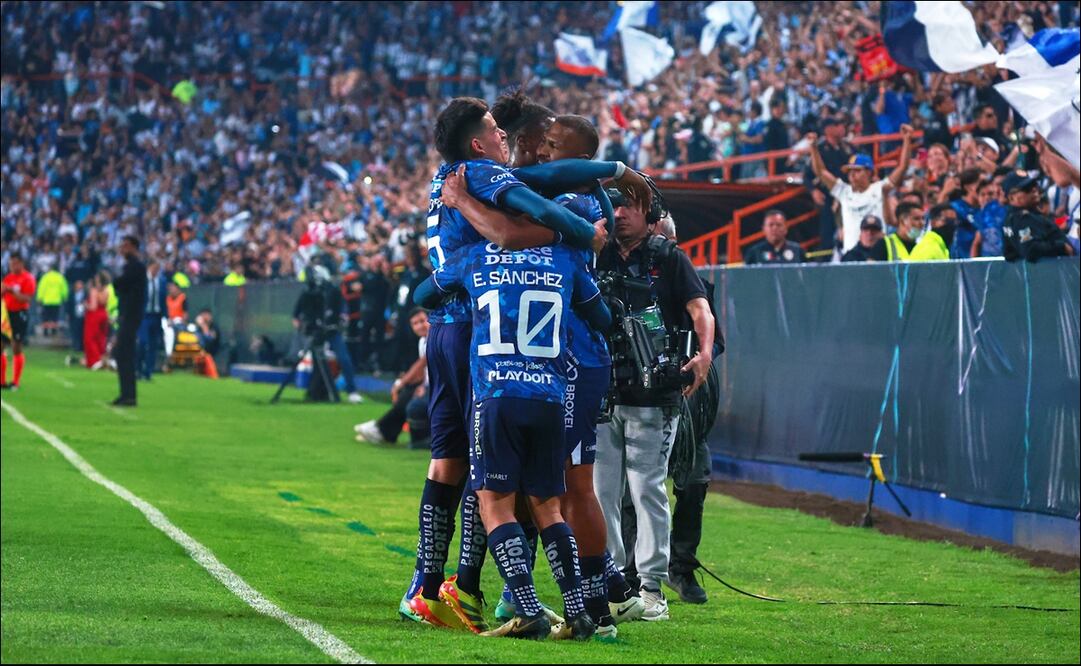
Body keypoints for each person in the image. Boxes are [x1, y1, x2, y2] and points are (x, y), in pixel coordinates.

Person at [401, 95, 639, 630]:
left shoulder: (457, 189)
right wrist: (579, 233)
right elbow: (517, 232)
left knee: (471, 469)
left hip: (456, 328)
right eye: (540, 140)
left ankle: (437, 585)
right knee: (538, 487)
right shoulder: (493, 183)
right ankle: (495, 591)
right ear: (487, 141)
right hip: (530, 363)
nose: (529, 150)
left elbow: (428, 288)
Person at [413, 235, 612, 641]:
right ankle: (577, 616)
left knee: (495, 505)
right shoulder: (565, 258)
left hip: (497, 395)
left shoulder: (475, 255)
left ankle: (526, 610)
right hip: (550, 397)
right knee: (548, 508)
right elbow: (602, 316)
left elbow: (424, 294)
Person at [594, 180, 716, 622]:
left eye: (629, 205)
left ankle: (651, 589)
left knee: (646, 489)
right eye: (613, 205)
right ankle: (608, 581)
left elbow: (701, 309)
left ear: (650, 212)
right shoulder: (596, 252)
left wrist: (703, 354)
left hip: (654, 393)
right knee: (602, 492)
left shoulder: (669, 257)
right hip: (604, 391)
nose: (619, 212)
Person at [806, 124, 913, 254]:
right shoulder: (844, 192)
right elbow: (821, 172)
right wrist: (813, 148)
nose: (852, 175)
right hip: (851, 255)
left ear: (869, 172)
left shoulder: (880, 188)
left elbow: (902, 167)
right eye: (849, 171)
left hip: (878, 253)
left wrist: (907, 140)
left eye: (857, 170)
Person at [355, 308, 432, 447]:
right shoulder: (422, 341)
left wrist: (401, 384)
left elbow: (423, 363)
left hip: (441, 386)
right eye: (415, 323)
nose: (420, 326)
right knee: (408, 393)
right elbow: (424, 370)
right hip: (430, 384)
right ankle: (384, 431)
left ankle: (382, 430)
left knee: (411, 401)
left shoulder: (434, 337)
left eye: (422, 321)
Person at [291, 266, 363, 404]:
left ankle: (352, 391)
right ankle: (316, 391)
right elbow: (296, 314)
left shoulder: (333, 290)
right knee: (318, 363)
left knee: (344, 359)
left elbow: (343, 308)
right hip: (316, 332)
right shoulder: (309, 291)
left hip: (332, 329)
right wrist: (304, 325)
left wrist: (341, 318)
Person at [803, 115, 853, 252]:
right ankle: (827, 258)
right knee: (827, 231)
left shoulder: (847, 148)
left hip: (848, 194)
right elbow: (807, 176)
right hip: (828, 196)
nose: (842, 128)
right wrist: (813, 191)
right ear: (828, 129)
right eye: (838, 125)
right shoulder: (819, 149)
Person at [1001, 172, 1075, 262]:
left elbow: (1009, 254)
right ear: (1012, 197)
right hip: (1053, 272)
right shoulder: (1024, 218)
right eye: (1026, 189)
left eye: (1034, 185)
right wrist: (1062, 247)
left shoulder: (1009, 218)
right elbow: (1030, 250)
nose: (1034, 190)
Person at [112, 236, 147, 406]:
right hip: (128, 314)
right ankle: (127, 394)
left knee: (123, 352)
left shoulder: (135, 267)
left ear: (133, 247)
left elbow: (121, 284)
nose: (122, 249)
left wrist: (115, 281)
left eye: (125, 246)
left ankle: (129, 394)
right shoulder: (131, 267)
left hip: (131, 315)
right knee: (123, 353)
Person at [1, 255, 36, 390]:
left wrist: (11, 291)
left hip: (19, 314)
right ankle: (2, 381)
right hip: (6, 315)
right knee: (1, 345)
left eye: (15, 264)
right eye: (11, 264)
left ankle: (15, 382)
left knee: (16, 347)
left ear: (21, 263)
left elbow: (26, 299)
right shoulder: (8, 278)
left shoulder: (28, 278)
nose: (12, 267)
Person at [138, 260, 168, 380]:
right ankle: (138, 368)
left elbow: (163, 300)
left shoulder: (162, 281)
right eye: (154, 268)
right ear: (149, 267)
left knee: (153, 345)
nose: (156, 271)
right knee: (142, 342)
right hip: (145, 315)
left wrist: (166, 316)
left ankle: (148, 371)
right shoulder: (143, 280)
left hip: (156, 316)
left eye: (158, 268)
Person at [743, 210, 807, 265]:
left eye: (779, 225)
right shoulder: (755, 252)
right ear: (764, 229)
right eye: (771, 225)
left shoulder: (797, 250)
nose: (774, 228)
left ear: (786, 229)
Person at [83, 273, 111, 369]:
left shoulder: (94, 291)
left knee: (90, 338)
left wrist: (86, 305)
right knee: (101, 338)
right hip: (104, 314)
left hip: (94, 316)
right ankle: (101, 358)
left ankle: (94, 360)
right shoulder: (107, 291)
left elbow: (93, 307)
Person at [35, 264, 68, 338]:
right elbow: (64, 288)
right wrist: (64, 296)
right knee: (54, 317)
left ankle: (46, 331)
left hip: (46, 300)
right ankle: (53, 331)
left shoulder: (45, 277)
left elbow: (41, 288)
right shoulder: (60, 277)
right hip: (56, 300)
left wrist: (39, 298)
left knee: (46, 317)